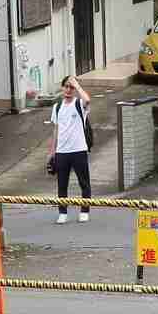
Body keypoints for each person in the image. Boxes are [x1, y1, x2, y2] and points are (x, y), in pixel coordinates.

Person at [50, 75, 92, 223]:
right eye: (66, 86)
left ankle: (85, 210)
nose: (68, 90)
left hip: (79, 149)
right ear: (62, 88)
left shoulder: (79, 104)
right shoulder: (57, 107)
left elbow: (87, 100)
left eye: (71, 87)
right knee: (62, 184)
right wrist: (52, 151)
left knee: (84, 182)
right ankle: (62, 212)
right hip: (62, 151)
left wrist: (77, 85)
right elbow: (56, 129)